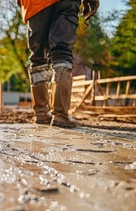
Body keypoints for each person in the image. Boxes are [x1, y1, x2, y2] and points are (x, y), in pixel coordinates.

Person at [18, 0, 99, 128]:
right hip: (65, 3)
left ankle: (41, 113)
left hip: (34, 4)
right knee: (62, 53)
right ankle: (60, 115)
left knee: (37, 58)